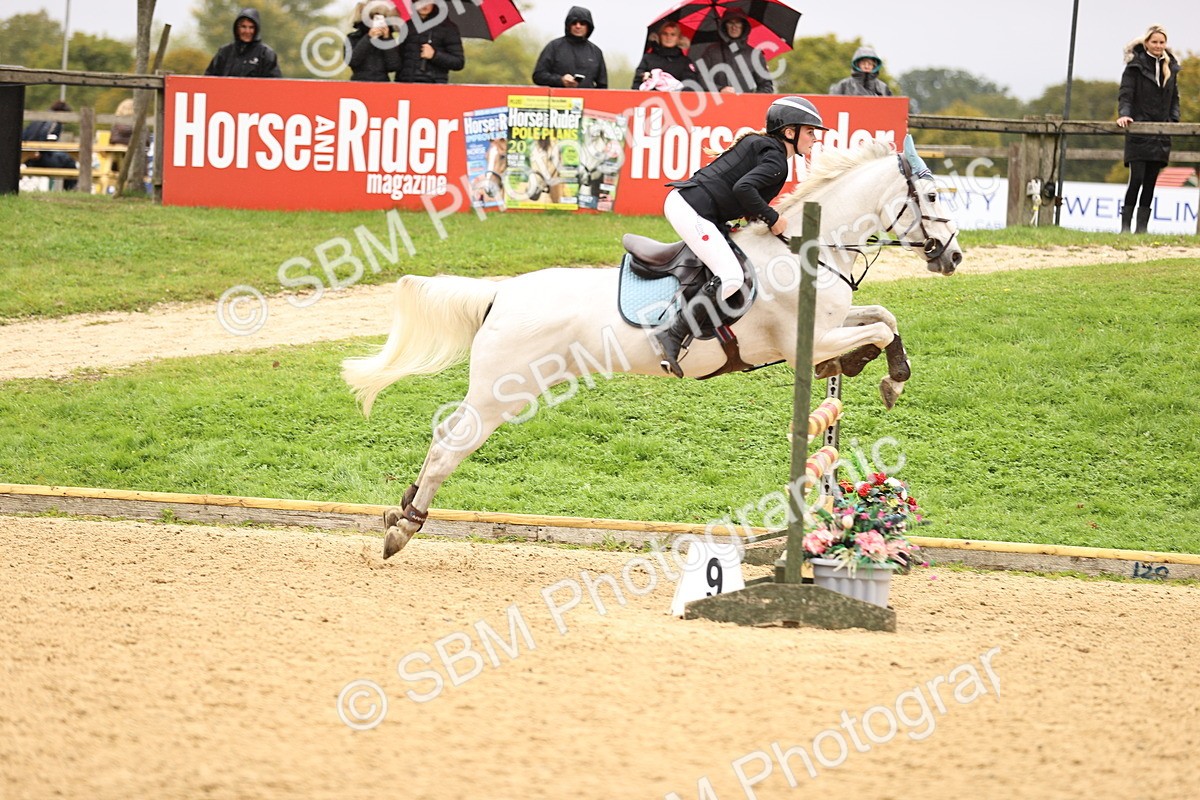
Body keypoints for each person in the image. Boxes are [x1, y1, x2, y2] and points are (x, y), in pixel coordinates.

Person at [654, 97, 827, 377]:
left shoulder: (768, 148)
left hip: (694, 206)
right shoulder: (776, 160)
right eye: (810, 131)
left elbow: (744, 194)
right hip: (692, 211)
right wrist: (773, 218)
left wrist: (763, 221)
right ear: (789, 132)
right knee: (731, 277)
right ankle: (671, 335)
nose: (815, 138)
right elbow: (744, 189)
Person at [1116, 24, 1181, 234]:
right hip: (1139, 130)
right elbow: (1126, 93)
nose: (1158, 46)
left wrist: (1173, 120)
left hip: (1161, 133)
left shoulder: (1171, 67)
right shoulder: (1134, 66)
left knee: (1151, 182)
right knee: (1136, 179)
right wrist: (1124, 114)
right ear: (1146, 43)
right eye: (1154, 42)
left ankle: (1141, 229)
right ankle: (1125, 227)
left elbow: (1174, 98)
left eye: (1162, 42)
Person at [693, 10, 773, 94]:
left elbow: (766, 86)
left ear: (744, 26)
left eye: (738, 23)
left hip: (745, 101)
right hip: (716, 101)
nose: (734, 27)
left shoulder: (754, 54)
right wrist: (720, 89)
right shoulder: (711, 51)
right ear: (724, 26)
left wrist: (750, 99)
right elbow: (701, 77)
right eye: (730, 23)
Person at [532, 6, 607, 89]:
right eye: (574, 23)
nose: (578, 26)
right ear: (568, 25)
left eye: (582, 23)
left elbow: (603, 85)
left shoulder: (596, 52)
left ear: (588, 26)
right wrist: (560, 80)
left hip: (587, 97)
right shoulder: (554, 47)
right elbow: (538, 76)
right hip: (559, 96)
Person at [396, 2, 465, 84]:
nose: (424, 4)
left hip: (433, 85)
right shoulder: (408, 26)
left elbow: (458, 62)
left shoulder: (448, 28)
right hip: (405, 84)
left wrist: (434, 55)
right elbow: (398, 59)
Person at [204, 8, 282, 78]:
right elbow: (209, 80)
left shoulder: (266, 54)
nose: (247, 31)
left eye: (251, 27)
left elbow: (275, 84)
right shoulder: (224, 52)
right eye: (243, 27)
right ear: (237, 28)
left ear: (256, 29)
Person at [22, 100, 78, 190]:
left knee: (64, 157)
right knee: (69, 161)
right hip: (40, 158)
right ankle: (70, 190)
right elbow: (47, 141)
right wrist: (37, 153)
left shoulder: (37, 119)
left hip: (26, 158)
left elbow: (24, 135)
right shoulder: (55, 123)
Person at [633, 21, 697, 90]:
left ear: (679, 38)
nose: (668, 37)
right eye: (665, 34)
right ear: (659, 36)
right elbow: (637, 84)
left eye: (673, 34)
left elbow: (690, 85)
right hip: (650, 96)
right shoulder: (648, 58)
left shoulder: (685, 62)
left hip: (676, 96)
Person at [346, 1, 402, 82]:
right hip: (359, 82)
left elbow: (394, 66)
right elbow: (352, 61)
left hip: (382, 83)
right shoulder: (353, 37)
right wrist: (369, 37)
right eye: (374, 18)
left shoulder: (388, 39)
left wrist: (387, 38)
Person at [828, 45, 893, 97]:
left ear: (874, 66)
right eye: (863, 63)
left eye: (870, 64)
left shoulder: (882, 87)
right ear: (857, 64)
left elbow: (891, 106)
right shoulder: (844, 85)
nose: (866, 66)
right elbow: (831, 103)